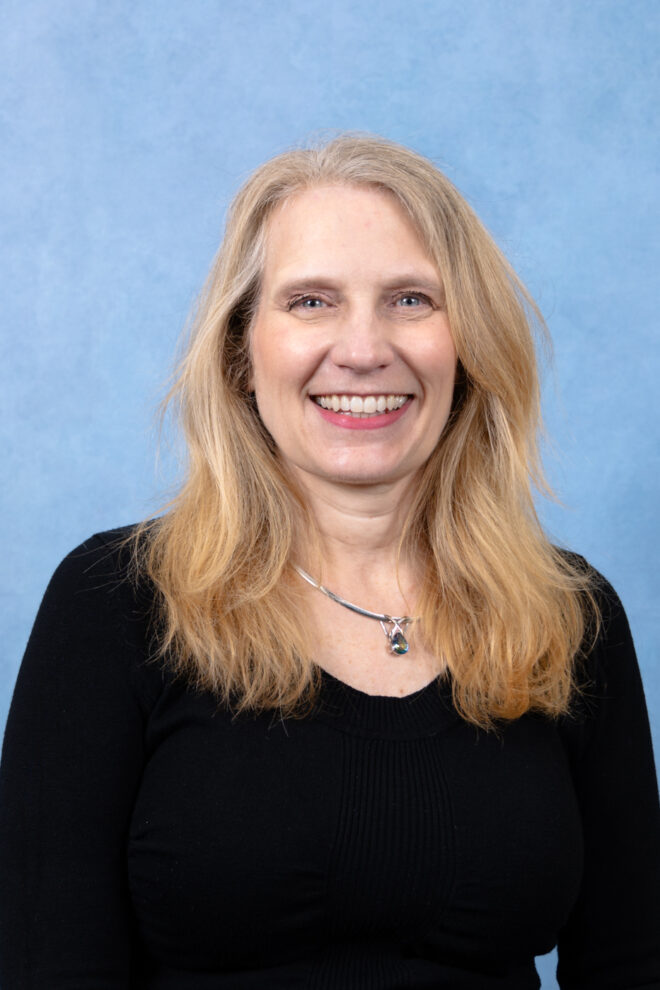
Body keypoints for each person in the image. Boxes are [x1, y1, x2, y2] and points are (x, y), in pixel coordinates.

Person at [1, 134, 658, 989]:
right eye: (310, 301)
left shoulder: (568, 615)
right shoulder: (116, 604)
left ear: (468, 345)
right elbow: (42, 965)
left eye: (412, 299)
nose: (362, 348)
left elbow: (632, 966)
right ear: (241, 352)